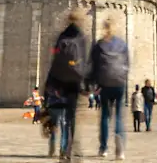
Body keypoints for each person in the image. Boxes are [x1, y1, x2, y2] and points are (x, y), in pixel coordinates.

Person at [44, 9, 87, 162]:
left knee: (57, 115)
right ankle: (68, 149)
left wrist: (49, 84)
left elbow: (55, 59)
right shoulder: (81, 37)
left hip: (60, 80)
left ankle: (55, 142)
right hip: (74, 82)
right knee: (70, 117)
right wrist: (84, 85)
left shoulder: (62, 37)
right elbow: (83, 61)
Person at [89, 18, 129, 160]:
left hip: (105, 84)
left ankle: (104, 148)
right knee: (119, 115)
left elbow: (93, 66)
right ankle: (120, 149)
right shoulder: (122, 44)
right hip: (119, 83)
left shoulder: (100, 44)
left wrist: (93, 84)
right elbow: (127, 63)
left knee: (105, 116)